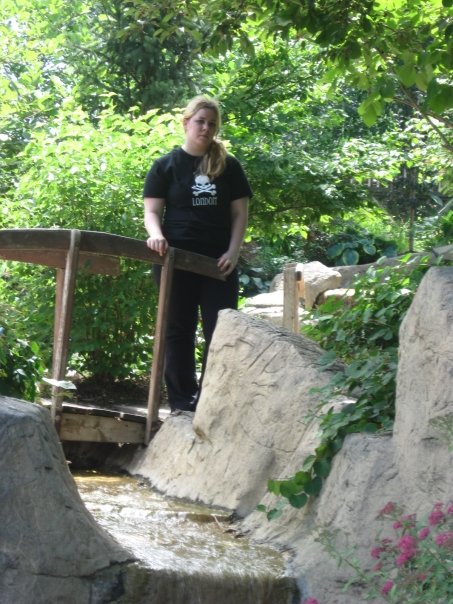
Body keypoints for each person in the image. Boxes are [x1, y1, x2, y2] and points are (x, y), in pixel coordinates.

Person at [143, 95, 252, 413]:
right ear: (186, 123)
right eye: (200, 121)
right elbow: (152, 211)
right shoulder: (165, 166)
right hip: (174, 260)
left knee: (220, 332)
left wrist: (233, 251)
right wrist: (156, 235)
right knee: (178, 330)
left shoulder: (229, 167)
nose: (206, 128)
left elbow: (240, 215)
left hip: (219, 263)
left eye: (212, 123)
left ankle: (211, 401)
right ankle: (182, 402)